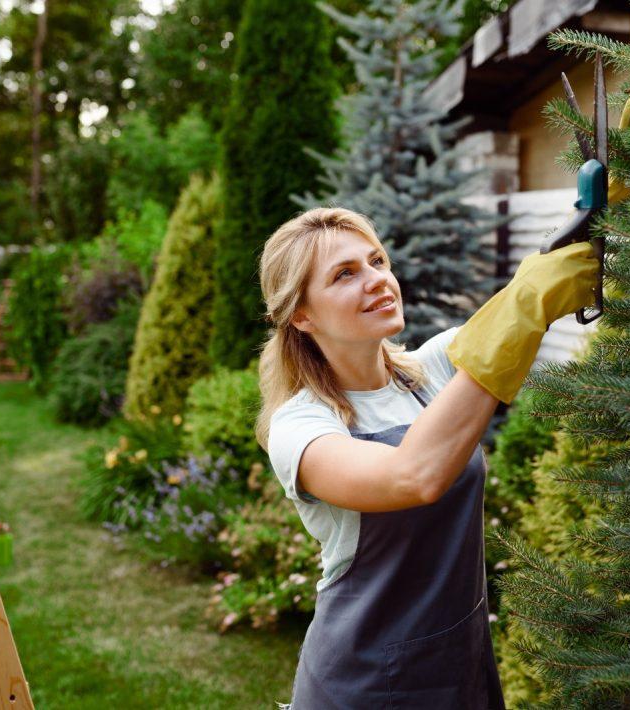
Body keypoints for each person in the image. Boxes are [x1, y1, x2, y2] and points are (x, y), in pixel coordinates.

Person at [255, 207, 598, 709]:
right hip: (365, 681)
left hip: (460, 663)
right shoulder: (301, 428)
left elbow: (513, 310)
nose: (377, 281)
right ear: (301, 315)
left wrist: (609, 194)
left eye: (377, 261)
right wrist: (527, 304)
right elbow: (412, 476)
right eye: (345, 274)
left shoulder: (431, 368)